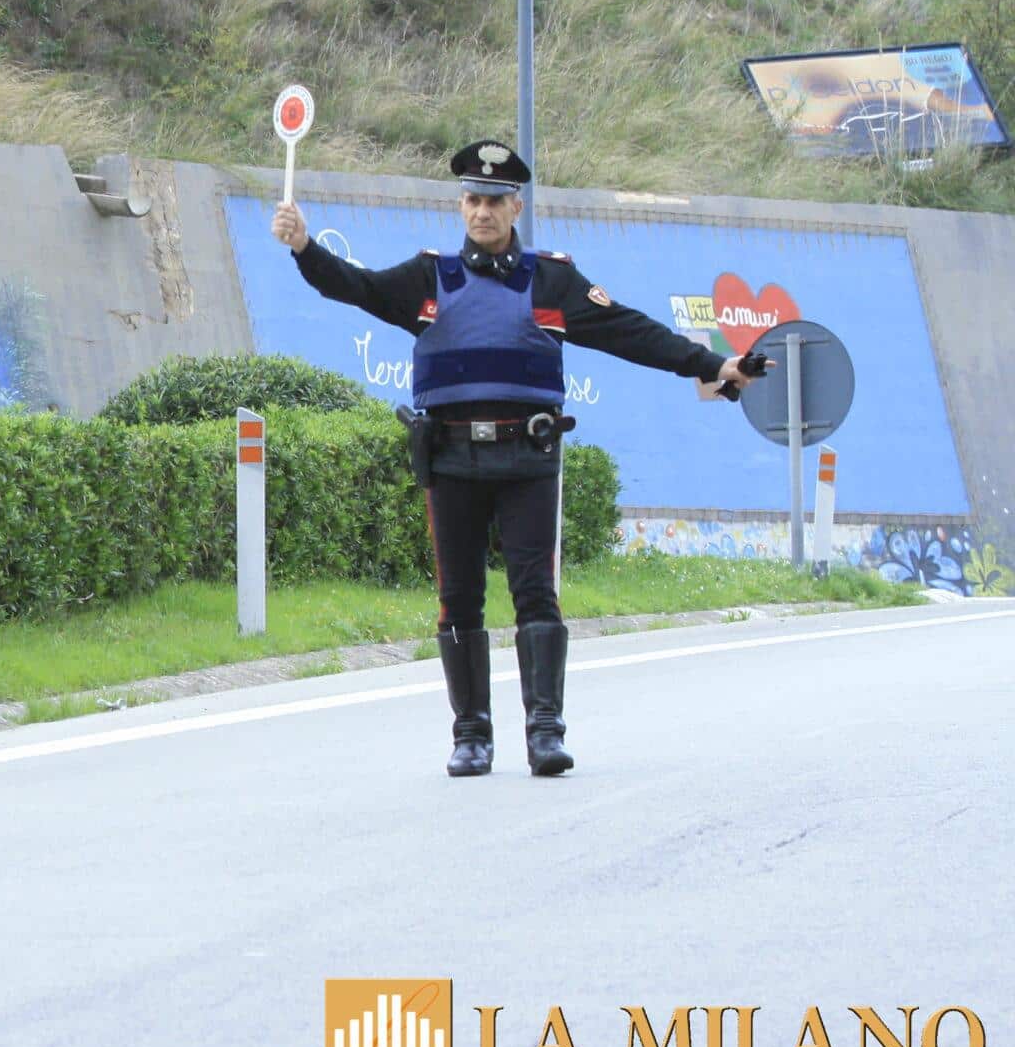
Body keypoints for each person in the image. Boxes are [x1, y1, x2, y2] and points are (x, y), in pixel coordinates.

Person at [270, 140, 764, 778]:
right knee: (459, 599)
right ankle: (471, 736)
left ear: (516, 207)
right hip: (450, 462)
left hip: (528, 459)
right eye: (473, 200)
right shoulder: (430, 277)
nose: (483, 212)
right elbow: (357, 287)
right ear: (461, 206)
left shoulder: (552, 280)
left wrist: (712, 364)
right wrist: (305, 248)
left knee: (537, 595)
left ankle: (544, 732)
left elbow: (632, 333)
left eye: (495, 201)